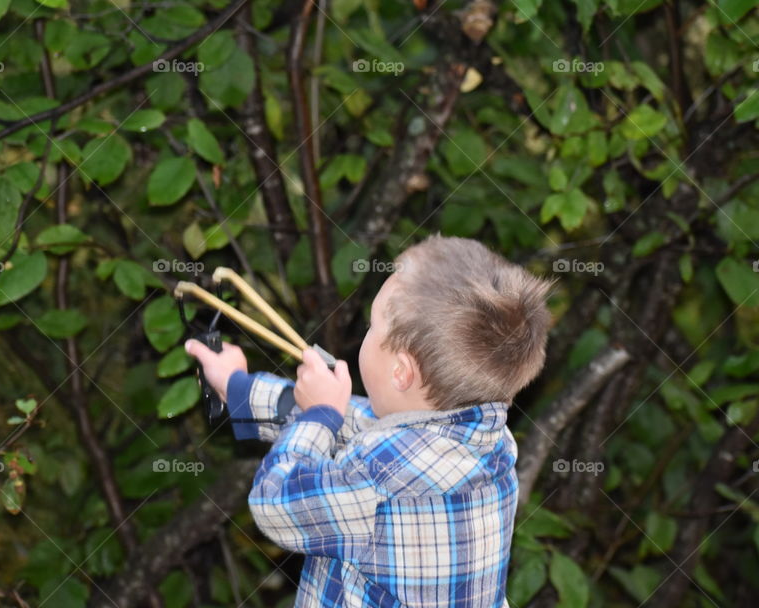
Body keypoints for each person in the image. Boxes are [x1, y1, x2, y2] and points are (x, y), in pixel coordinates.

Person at [185, 234, 554, 607]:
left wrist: (319, 415)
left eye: (372, 327)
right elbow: (366, 427)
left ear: (401, 372)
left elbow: (275, 503)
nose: (365, 334)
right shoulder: (491, 440)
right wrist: (241, 390)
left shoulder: (377, 482)